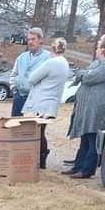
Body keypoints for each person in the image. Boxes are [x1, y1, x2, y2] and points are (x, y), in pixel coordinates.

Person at [64, 38, 105, 179]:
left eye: (97, 47)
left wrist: (83, 74)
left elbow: (91, 77)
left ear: (103, 50)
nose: (95, 50)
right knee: (85, 137)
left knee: (92, 138)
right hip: (88, 107)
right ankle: (78, 166)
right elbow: (85, 73)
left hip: (97, 108)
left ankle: (87, 170)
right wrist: (84, 73)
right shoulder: (99, 63)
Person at [23, 37, 71, 169]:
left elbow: (32, 78)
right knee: (41, 132)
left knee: (37, 133)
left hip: (41, 103)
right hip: (51, 104)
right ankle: (41, 158)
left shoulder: (51, 63)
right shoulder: (64, 63)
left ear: (52, 48)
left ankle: (40, 159)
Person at [10, 27, 48, 117]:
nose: (30, 42)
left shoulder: (48, 58)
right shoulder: (21, 57)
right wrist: (14, 89)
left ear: (40, 40)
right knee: (16, 127)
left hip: (38, 100)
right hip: (20, 98)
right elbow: (14, 74)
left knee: (35, 129)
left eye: (33, 39)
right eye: (28, 39)